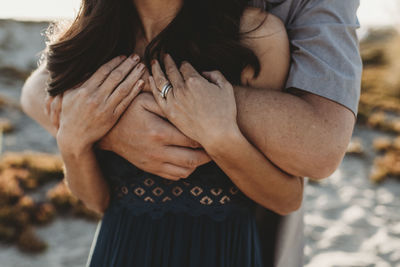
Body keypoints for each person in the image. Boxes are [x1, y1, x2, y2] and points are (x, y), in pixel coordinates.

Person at [20, 0, 362, 266]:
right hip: (119, 250)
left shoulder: (257, 37)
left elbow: (288, 198)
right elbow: (98, 202)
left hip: (225, 255)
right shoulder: (90, 43)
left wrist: (222, 138)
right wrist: (73, 142)